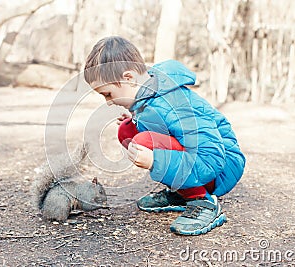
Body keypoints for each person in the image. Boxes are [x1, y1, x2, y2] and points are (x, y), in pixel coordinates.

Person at [83, 36, 246, 236]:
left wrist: (155, 159)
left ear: (128, 78)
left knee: (144, 143)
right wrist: (135, 119)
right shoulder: (149, 96)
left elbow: (211, 157)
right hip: (202, 162)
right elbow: (167, 128)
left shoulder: (174, 103)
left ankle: (203, 202)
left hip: (220, 166)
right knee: (127, 130)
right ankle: (182, 193)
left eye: (108, 94)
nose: (108, 102)